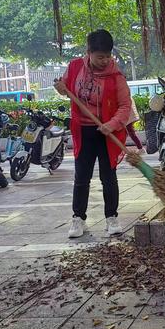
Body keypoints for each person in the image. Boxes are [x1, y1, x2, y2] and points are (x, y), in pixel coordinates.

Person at [54, 29, 131, 238]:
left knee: (108, 177)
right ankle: (78, 219)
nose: (105, 60)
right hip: (83, 131)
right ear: (88, 52)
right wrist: (60, 87)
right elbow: (65, 87)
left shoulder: (116, 77)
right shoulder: (75, 67)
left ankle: (111, 218)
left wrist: (112, 124)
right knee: (82, 177)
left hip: (106, 133)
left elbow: (125, 106)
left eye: (107, 56)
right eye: (100, 56)